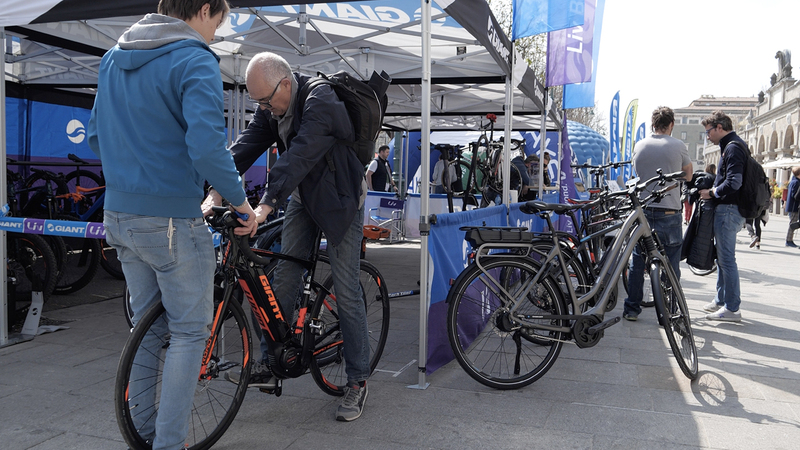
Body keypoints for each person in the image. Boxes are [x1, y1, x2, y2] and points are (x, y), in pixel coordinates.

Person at [87, 1, 257, 448]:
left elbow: (96, 137)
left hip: (119, 215)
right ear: (203, 10)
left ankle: (144, 436)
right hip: (171, 219)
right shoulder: (194, 58)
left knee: (146, 327)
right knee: (188, 332)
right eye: (218, 23)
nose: (216, 35)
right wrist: (242, 206)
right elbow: (206, 148)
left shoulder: (112, 58)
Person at [201, 52, 370, 422]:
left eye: (266, 101)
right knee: (284, 277)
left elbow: (296, 158)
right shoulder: (271, 106)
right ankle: (269, 361)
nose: (264, 109)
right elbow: (244, 147)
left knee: (346, 288)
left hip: (341, 199)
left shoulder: (320, 99)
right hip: (305, 195)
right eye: (257, 102)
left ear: (286, 84)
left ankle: (357, 379)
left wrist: (263, 208)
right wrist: (215, 192)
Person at [622, 107, 692, 321]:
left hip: (643, 210)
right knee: (670, 264)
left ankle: (632, 309)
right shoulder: (678, 145)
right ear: (671, 124)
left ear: (653, 124)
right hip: (669, 211)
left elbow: (637, 173)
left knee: (637, 261)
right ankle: (668, 312)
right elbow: (688, 176)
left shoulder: (640, 145)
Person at [699, 111, 747, 322]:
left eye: (708, 131)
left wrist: (712, 192)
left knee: (727, 259)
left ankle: (732, 308)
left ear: (719, 127)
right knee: (723, 258)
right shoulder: (732, 145)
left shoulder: (733, 147)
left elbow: (734, 182)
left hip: (728, 209)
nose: (707, 136)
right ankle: (721, 300)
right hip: (728, 209)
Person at [785, 166, 800, 246]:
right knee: (793, 223)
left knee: (793, 223)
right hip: (794, 206)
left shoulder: (793, 181)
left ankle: (789, 240)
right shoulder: (796, 182)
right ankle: (788, 240)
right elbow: (795, 195)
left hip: (792, 206)